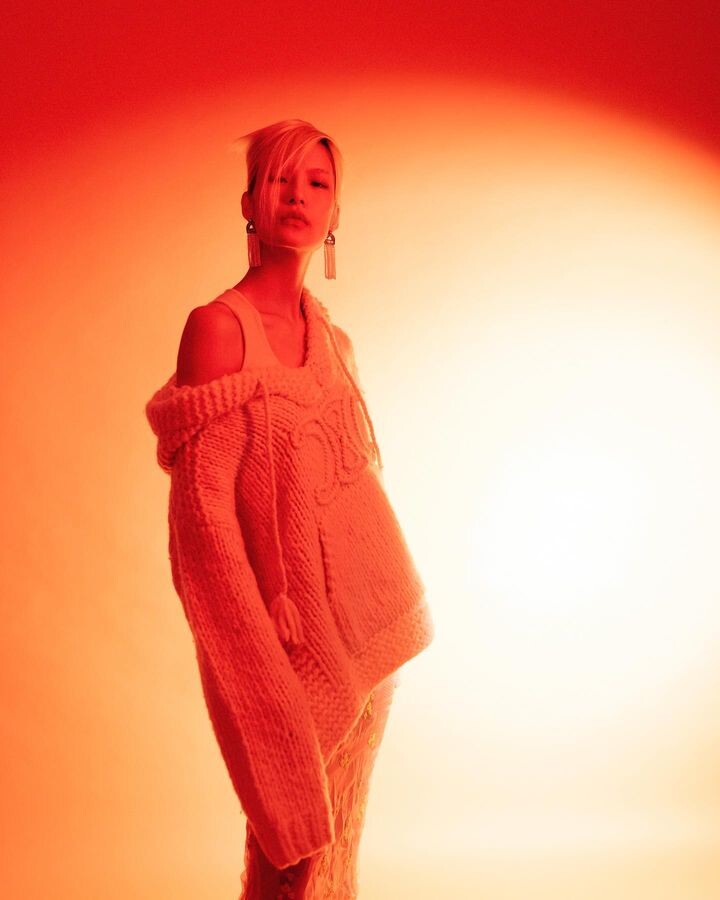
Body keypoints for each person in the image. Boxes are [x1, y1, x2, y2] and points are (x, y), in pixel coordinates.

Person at [145, 119, 435, 898]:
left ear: (336, 212)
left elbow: (355, 482)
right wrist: (259, 661)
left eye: (317, 183)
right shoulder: (217, 330)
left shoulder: (336, 343)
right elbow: (205, 535)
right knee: (290, 850)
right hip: (289, 644)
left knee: (339, 847)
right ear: (249, 202)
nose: (298, 197)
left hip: (367, 638)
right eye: (280, 178)